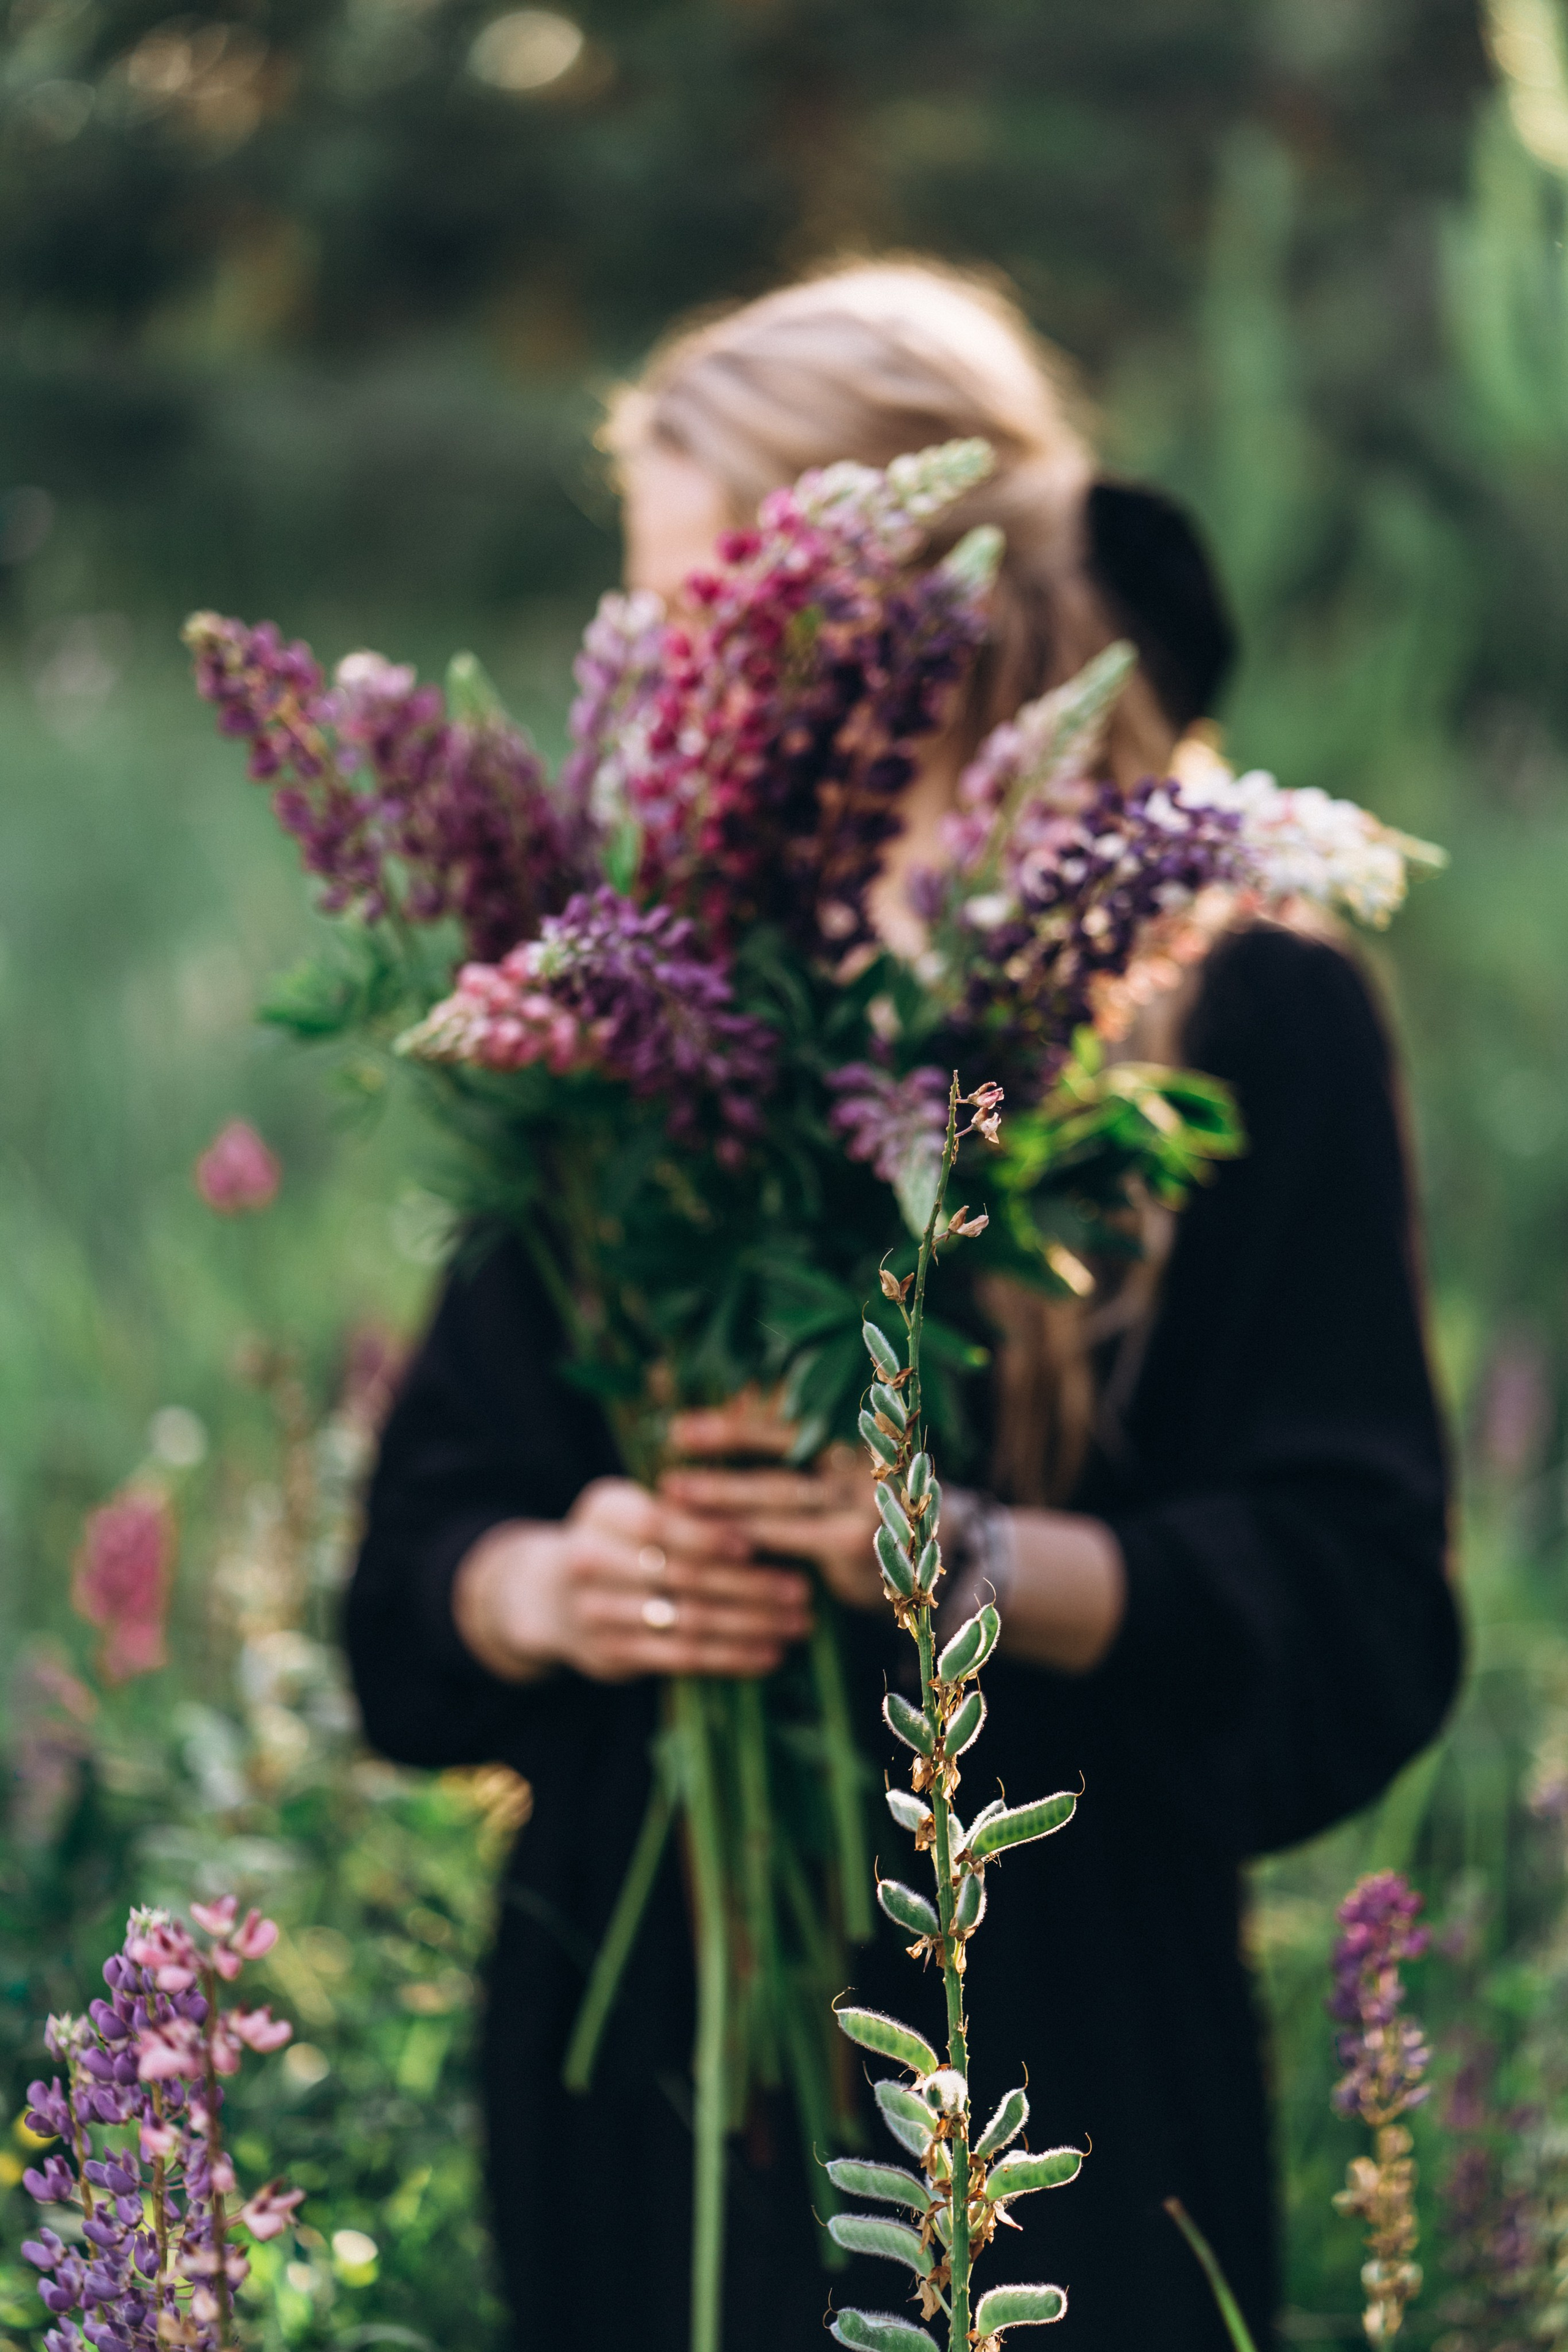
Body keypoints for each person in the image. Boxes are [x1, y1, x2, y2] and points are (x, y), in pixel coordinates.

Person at [346, 261, 1461, 2352]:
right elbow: (414, 1572)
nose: (664, 689)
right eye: (646, 630)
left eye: (704, 616)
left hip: (1054, 2079)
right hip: (638, 2088)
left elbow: (1368, 1614)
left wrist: (954, 1561)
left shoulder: (1245, 1005)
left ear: (876, 598)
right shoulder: (633, 995)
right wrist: (553, 1585)